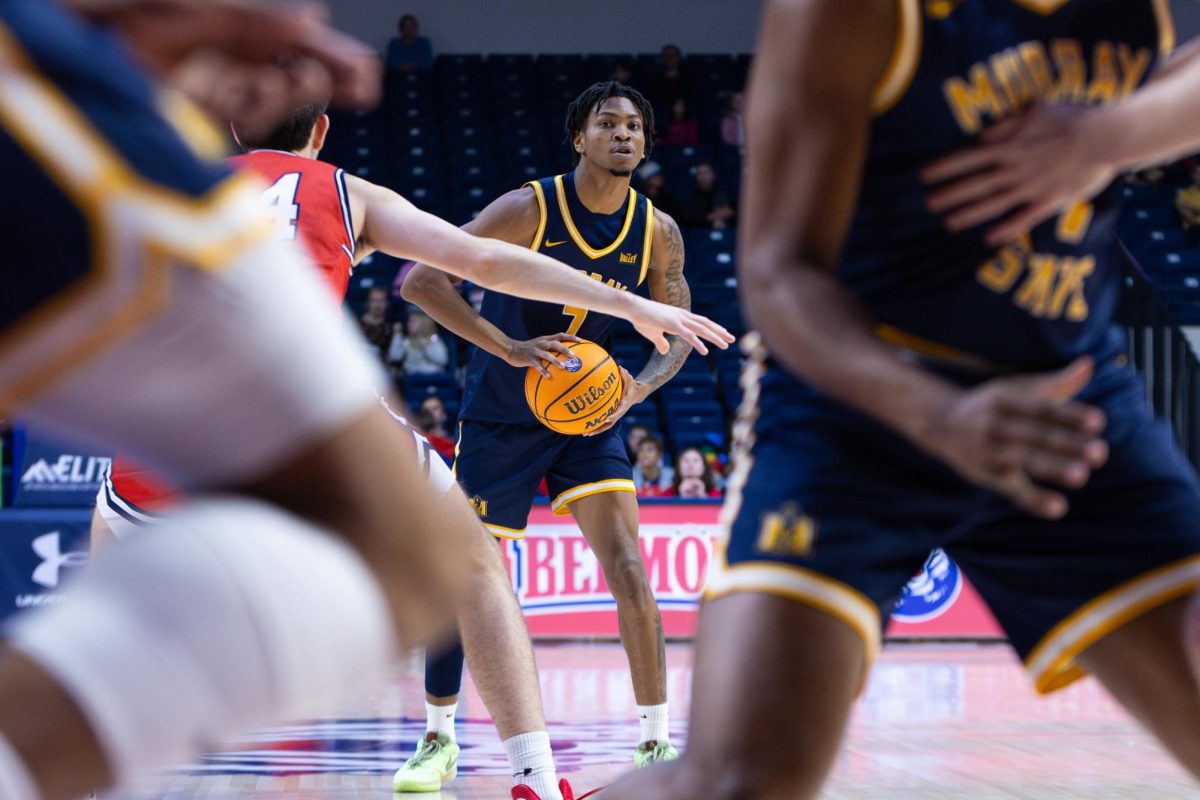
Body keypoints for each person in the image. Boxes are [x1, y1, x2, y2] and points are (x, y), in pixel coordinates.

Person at [604, 2, 1200, 799]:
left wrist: (1103, 139)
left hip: (1062, 406)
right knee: (744, 777)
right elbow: (779, 274)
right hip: (857, 410)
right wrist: (938, 415)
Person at [91, 94, 732, 800]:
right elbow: (477, 261)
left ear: (232, 126)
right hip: (315, 421)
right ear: (323, 130)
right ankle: (531, 779)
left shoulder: (165, 181)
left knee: (102, 624)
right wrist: (630, 305)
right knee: (475, 566)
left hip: (163, 433)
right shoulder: (344, 190)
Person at [0, 3, 486, 800]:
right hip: (47, 106)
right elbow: (474, 256)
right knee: (407, 541)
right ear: (320, 131)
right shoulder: (330, 188)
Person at [401, 80, 705, 791]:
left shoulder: (657, 230)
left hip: (585, 419)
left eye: (634, 126)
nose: (624, 134)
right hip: (502, 415)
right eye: (608, 123)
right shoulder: (528, 208)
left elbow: (679, 327)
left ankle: (656, 743)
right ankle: (438, 737)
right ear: (580, 138)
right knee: (465, 582)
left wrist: (639, 387)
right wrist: (505, 346)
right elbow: (422, 281)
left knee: (628, 563)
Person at [389, 310, 450, 375]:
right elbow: (394, 357)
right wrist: (397, 334)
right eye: (409, 322)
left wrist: (424, 346)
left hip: (434, 376)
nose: (408, 325)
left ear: (423, 323)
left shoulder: (434, 339)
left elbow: (443, 360)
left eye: (412, 322)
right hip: (414, 378)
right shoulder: (407, 341)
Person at [682, 162, 735, 230]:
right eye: (700, 174)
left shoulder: (724, 193)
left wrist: (730, 212)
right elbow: (687, 218)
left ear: (713, 175)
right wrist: (709, 217)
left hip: (726, 230)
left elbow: (734, 211)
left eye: (706, 173)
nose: (703, 177)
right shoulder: (690, 197)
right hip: (701, 232)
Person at [359, 286, 393, 363]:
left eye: (381, 300)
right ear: (368, 303)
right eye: (374, 300)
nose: (378, 304)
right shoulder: (356, 325)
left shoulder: (390, 328)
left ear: (387, 304)